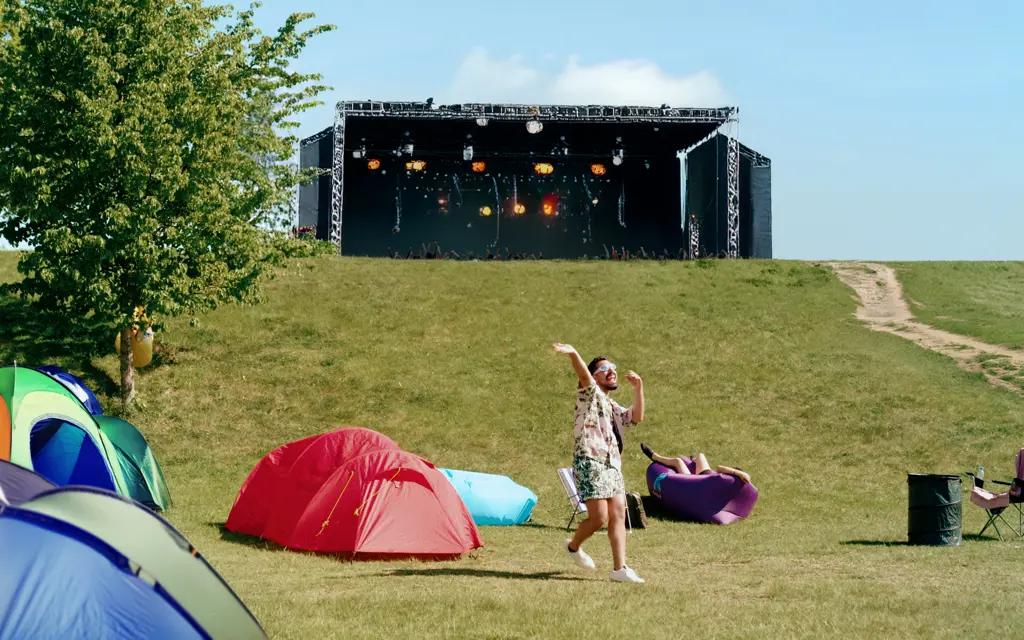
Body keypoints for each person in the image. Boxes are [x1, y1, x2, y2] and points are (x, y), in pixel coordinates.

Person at [552, 343, 646, 584]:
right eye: (604, 368)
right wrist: (573, 354)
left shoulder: (612, 405)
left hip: (612, 463)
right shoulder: (589, 393)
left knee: (618, 515)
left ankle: (620, 568)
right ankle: (573, 547)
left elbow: (635, 417)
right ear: (595, 376)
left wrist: (639, 388)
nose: (611, 371)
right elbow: (582, 374)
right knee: (599, 519)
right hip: (589, 459)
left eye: (612, 367)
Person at [639, 442, 751, 484]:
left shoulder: (731, 484)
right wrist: (738, 473)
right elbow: (719, 468)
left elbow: (720, 468)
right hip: (705, 476)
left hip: (696, 483)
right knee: (701, 456)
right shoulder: (729, 478)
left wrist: (739, 475)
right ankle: (693, 460)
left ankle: (655, 457)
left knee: (678, 461)